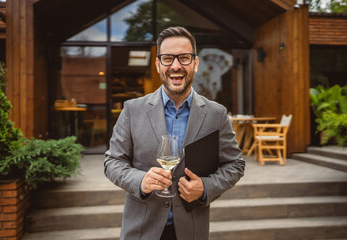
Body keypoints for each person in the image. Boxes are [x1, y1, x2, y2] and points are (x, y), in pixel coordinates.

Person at [104, 26, 245, 240]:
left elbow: (235, 164)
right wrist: (140, 181)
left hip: (191, 231)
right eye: (168, 58)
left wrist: (205, 188)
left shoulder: (216, 114)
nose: (176, 66)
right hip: (141, 231)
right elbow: (112, 162)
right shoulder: (132, 110)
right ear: (158, 64)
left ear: (195, 64)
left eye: (184, 58)